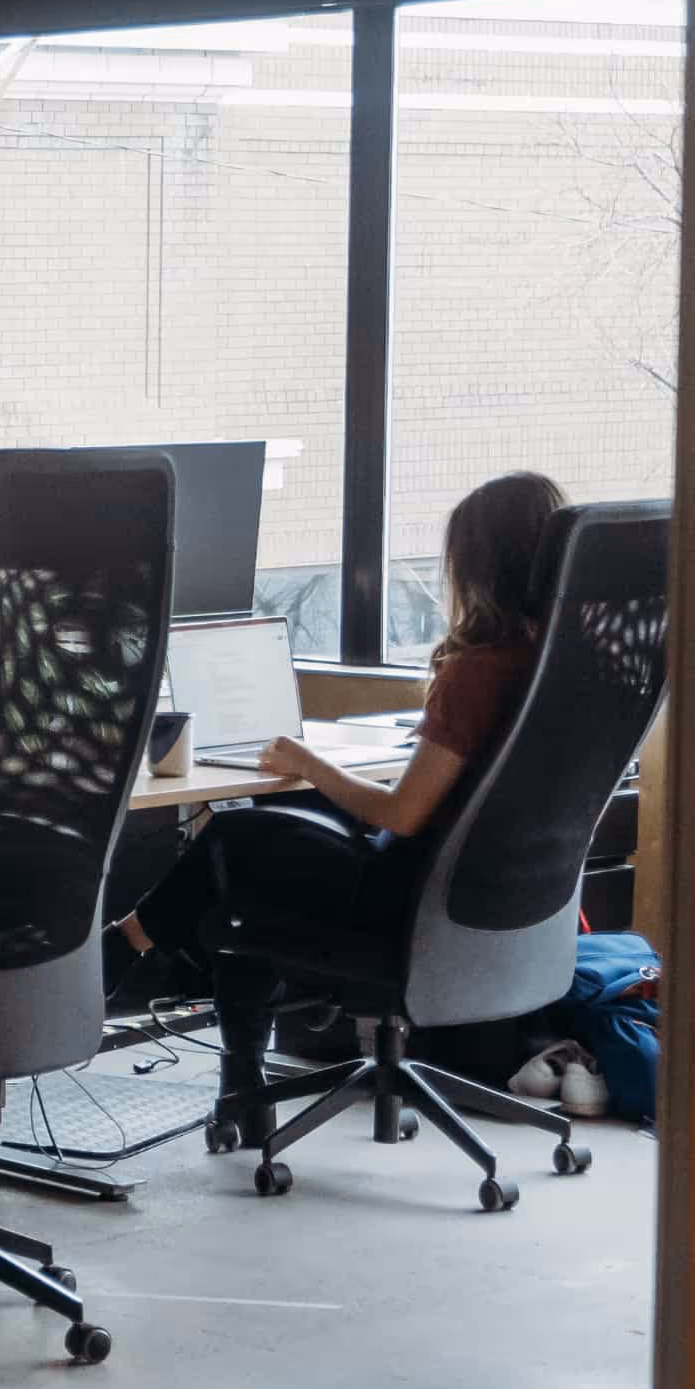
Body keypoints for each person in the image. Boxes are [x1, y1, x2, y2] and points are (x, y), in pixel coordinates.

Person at [129, 470, 567, 1128]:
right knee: (262, 845)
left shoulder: (476, 670)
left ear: (482, 568)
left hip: (404, 897)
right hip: (485, 900)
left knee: (230, 840)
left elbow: (403, 813)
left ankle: (130, 949)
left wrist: (307, 760)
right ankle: (234, 1078)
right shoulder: (556, 663)